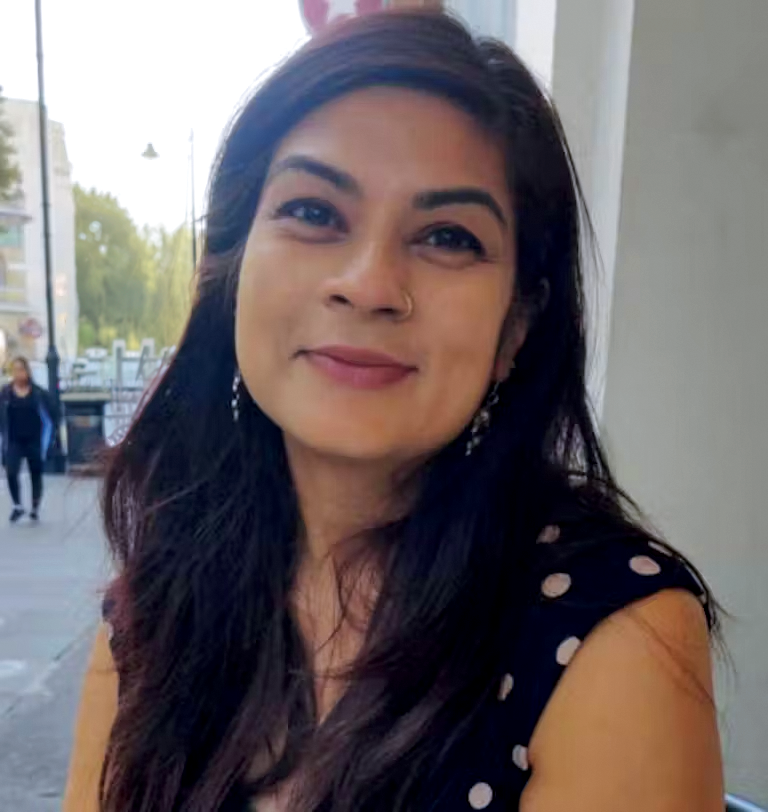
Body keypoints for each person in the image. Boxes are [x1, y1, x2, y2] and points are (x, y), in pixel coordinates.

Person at [64, 10, 724, 812]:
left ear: (516, 326)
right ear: (230, 272)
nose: (370, 283)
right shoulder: (156, 608)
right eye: (313, 212)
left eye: (447, 236)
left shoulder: (611, 633)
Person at [0, 356, 54, 522]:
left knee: (35, 473)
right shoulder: (6, 393)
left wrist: (49, 441)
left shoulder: (38, 393)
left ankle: (35, 507)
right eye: (15, 370)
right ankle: (17, 505)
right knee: (11, 472)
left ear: (27, 371)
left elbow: (50, 418)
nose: (18, 374)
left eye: (21, 370)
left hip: (34, 439)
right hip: (14, 440)